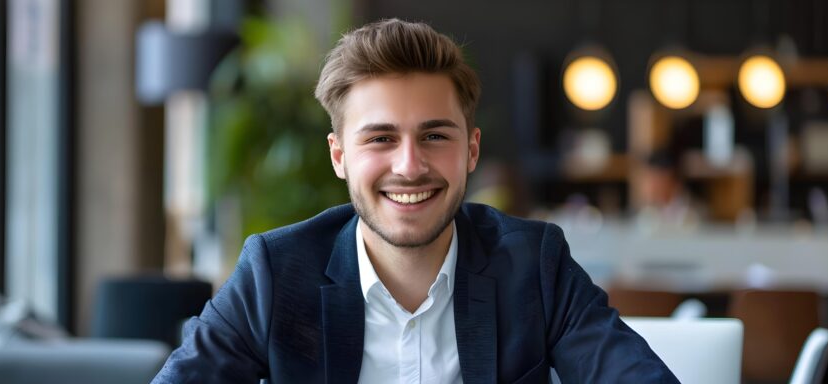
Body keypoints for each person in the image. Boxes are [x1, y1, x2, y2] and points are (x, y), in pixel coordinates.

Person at [152, 19, 677, 383]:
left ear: (471, 149)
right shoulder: (275, 271)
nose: (408, 165)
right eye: (380, 138)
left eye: (434, 136)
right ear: (339, 156)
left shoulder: (534, 265)